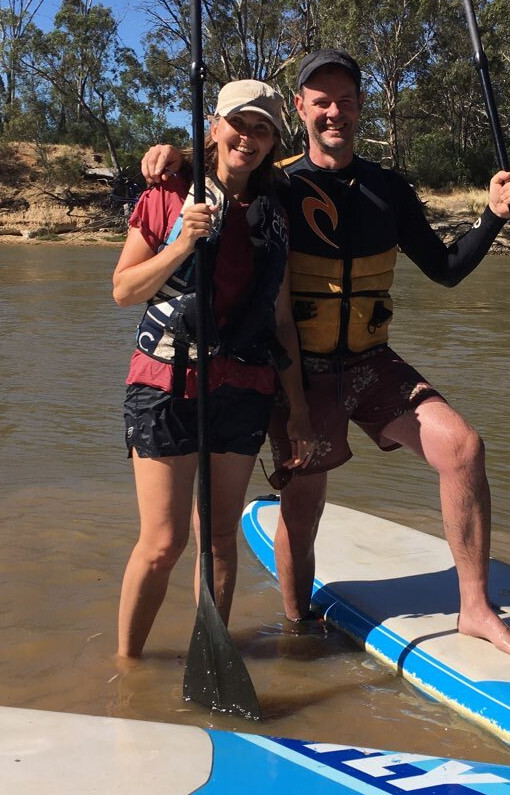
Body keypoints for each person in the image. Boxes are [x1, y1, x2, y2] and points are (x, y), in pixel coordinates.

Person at [141, 50, 510, 660]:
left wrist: (492, 215)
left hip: (373, 364)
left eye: (345, 101)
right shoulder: (279, 188)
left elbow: (446, 270)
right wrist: (173, 158)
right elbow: (228, 165)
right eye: (320, 101)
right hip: (302, 375)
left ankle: (475, 607)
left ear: (359, 108)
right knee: (304, 509)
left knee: (463, 447)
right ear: (300, 110)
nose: (334, 113)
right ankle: (299, 627)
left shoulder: (389, 188)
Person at [114, 79, 313, 659]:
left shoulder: (275, 213)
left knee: (220, 539)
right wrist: (181, 244)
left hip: (244, 389)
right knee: (163, 541)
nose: (247, 139)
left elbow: (280, 320)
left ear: (274, 142)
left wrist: (297, 408)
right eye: (238, 124)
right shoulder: (170, 192)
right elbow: (124, 290)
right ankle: (128, 671)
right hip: (166, 384)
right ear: (214, 125)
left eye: (262, 129)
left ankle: (211, 657)